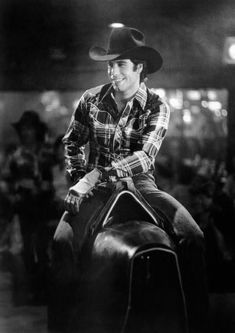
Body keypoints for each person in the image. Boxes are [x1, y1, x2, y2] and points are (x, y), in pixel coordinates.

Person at [52, 26, 208, 332]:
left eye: (120, 64)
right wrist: (80, 177)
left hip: (141, 183)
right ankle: (62, 325)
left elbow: (145, 157)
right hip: (95, 187)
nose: (112, 71)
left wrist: (98, 173)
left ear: (140, 68)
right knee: (60, 242)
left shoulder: (157, 105)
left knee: (194, 238)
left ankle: (196, 324)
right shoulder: (91, 100)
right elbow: (71, 142)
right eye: (110, 64)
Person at [3, 110, 55, 304]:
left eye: (29, 128)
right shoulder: (16, 156)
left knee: (44, 248)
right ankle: (31, 289)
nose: (26, 132)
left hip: (46, 206)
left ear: (36, 130)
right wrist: (16, 191)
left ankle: (43, 289)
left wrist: (46, 186)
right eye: (23, 129)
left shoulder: (47, 152)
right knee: (27, 249)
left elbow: (58, 174)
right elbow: (5, 181)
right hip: (25, 208)